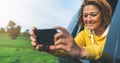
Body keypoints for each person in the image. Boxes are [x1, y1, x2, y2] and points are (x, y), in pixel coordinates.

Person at [30, 0, 112, 62]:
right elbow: (70, 49)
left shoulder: (114, 33)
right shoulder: (85, 33)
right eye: (85, 15)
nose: (88, 19)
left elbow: (103, 50)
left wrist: (81, 51)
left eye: (93, 15)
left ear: (104, 15)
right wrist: (48, 48)